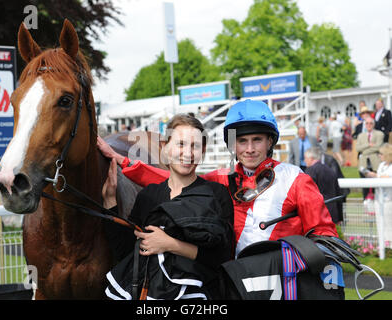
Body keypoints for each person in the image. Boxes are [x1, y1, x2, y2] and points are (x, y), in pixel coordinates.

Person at [98, 100, 338, 257]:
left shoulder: (296, 179)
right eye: (242, 141)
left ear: (270, 142)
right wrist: (123, 161)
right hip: (233, 285)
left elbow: (325, 237)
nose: (250, 149)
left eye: (257, 140)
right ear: (233, 145)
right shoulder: (221, 181)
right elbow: (174, 179)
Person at [102, 114, 234, 300]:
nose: (188, 153)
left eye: (195, 146)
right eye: (180, 144)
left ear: (202, 150)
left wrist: (170, 245)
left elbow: (221, 257)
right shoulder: (148, 195)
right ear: (165, 147)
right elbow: (126, 251)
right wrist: (110, 201)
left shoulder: (216, 194)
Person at [304, 147, 343, 224]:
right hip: (332, 213)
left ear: (311, 158)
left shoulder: (310, 171)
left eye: (305, 158)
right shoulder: (330, 170)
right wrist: (340, 217)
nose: (304, 161)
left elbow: (307, 195)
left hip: (318, 215)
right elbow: (338, 194)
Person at [364, 143, 392, 249]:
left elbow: (387, 177)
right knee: (380, 223)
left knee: (389, 223)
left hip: (389, 200)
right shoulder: (381, 165)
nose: (379, 155)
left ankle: (389, 246)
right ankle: (382, 244)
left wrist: (376, 175)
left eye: (380, 153)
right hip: (378, 199)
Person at [356, 117, 384, 199]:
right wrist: (368, 145)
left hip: (375, 163)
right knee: (365, 187)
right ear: (365, 125)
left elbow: (378, 147)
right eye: (367, 123)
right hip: (363, 164)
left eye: (371, 123)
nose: (369, 125)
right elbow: (358, 148)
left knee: (376, 186)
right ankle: (365, 204)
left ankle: (377, 206)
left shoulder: (379, 134)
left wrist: (364, 151)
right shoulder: (361, 136)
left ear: (374, 124)